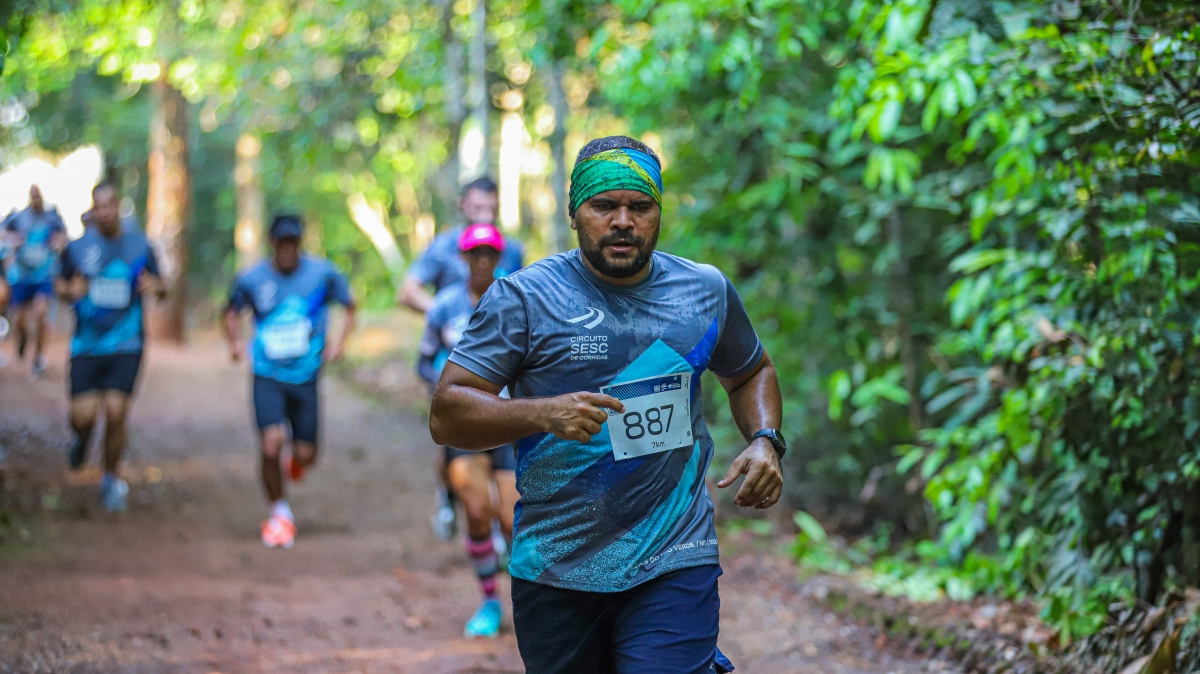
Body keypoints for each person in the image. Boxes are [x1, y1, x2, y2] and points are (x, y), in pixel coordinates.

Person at [429, 136, 786, 673]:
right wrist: (542, 413)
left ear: (658, 212)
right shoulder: (525, 298)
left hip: (673, 552)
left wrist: (765, 440)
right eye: (604, 206)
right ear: (574, 212)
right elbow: (447, 412)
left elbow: (751, 371)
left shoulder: (704, 291)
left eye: (640, 206)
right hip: (557, 564)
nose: (623, 221)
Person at [399, 176, 524, 541]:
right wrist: (453, 321)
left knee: (503, 466)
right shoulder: (442, 247)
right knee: (456, 448)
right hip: (450, 365)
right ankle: (450, 494)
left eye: (491, 208)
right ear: (463, 205)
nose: (485, 213)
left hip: (499, 373)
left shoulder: (512, 249)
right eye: (478, 207)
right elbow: (407, 291)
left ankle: (499, 531)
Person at [224, 214, 356, 550]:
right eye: (282, 242)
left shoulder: (322, 274)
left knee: (307, 454)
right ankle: (279, 512)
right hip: (267, 374)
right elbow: (230, 310)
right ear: (272, 243)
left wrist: (340, 343)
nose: (287, 249)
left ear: (300, 242)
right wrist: (235, 343)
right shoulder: (252, 278)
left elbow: (350, 304)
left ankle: (296, 462)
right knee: (271, 443)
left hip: (307, 376)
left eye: (293, 242)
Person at [417, 223, 520, 639]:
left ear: (498, 258)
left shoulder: (515, 300)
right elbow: (423, 360)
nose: (481, 261)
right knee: (477, 510)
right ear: (463, 258)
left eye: (489, 254)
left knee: (513, 519)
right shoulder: (444, 305)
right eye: (475, 253)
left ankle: (533, 603)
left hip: (510, 421)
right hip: (464, 425)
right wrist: (449, 387)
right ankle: (490, 602)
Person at [56, 182, 164, 512]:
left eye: (109, 205)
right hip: (86, 345)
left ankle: (111, 478)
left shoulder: (140, 245)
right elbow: (60, 284)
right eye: (98, 206)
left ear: (119, 207)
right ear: (93, 209)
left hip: (127, 342)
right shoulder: (78, 248)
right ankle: (81, 439)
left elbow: (162, 285)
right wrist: (70, 291)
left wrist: (156, 286)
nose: (104, 212)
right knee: (83, 416)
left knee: (117, 412)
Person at [5, 185, 68, 378]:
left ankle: (39, 357)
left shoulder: (52, 218)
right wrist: (12, 239)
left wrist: (59, 243)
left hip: (44, 275)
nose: (36, 199)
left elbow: (64, 237)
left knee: (41, 314)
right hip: (22, 276)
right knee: (19, 321)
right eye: (32, 196)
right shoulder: (18, 217)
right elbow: (3, 233)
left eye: (38, 196)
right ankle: (22, 339)